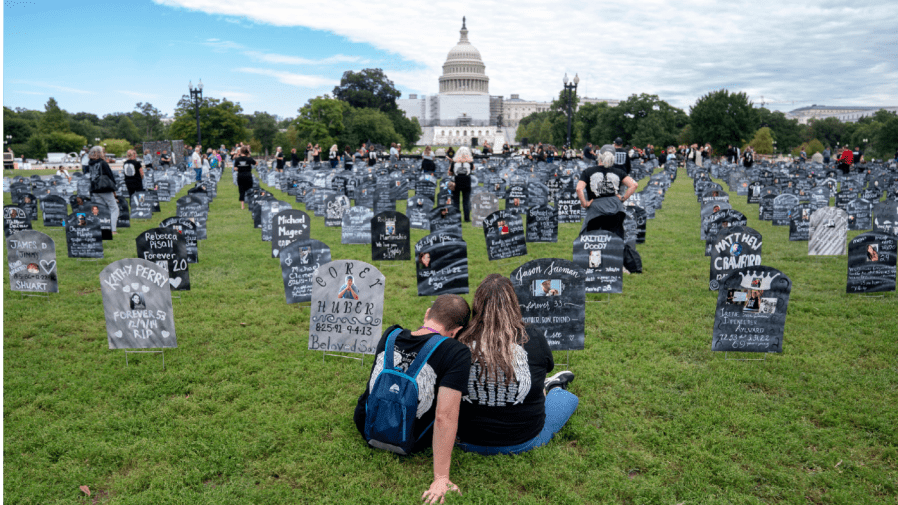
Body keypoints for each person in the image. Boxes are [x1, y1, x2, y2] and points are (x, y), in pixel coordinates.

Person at [353, 294, 472, 504]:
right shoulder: (456, 352)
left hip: (365, 425)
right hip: (411, 438)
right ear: (457, 332)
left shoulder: (391, 334)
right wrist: (441, 478)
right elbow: (444, 416)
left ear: (427, 314)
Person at [455, 274, 577, 456]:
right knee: (566, 398)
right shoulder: (532, 335)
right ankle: (554, 387)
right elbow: (547, 366)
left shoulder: (461, 338)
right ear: (513, 302)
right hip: (523, 441)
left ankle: (548, 387)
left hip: (465, 440)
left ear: (477, 304)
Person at [576, 151, 637, 239]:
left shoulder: (588, 171)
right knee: (615, 236)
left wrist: (584, 203)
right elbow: (634, 185)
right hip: (615, 207)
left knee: (591, 237)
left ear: (599, 159)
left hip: (596, 208)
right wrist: (623, 199)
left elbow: (579, 189)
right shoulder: (619, 171)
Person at [85, 146, 119, 235]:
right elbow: (110, 176)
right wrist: (114, 188)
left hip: (94, 188)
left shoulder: (90, 163)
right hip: (104, 188)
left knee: (102, 209)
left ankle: (102, 228)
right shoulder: (103, 163)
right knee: (114, 208)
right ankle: (113, 230)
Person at [449, 146, 473, 222]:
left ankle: (457, 218)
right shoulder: (470, 162)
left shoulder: (454, 162)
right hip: (466, 181)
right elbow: (472, 169)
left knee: (456, 201)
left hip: (456, 181)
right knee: (466, 200)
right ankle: (467, 218)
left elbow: (450, 172)